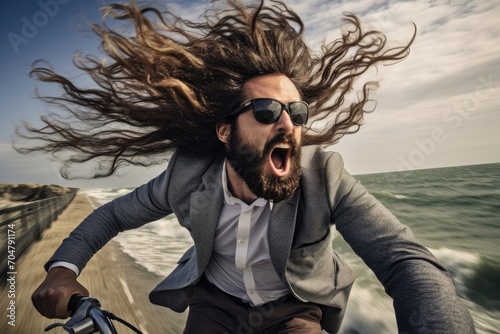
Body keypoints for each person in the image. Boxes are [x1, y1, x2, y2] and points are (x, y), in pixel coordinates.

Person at [24, 1, 476, 333]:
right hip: (214, 305)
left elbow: (404, 260)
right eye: (265, 111)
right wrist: (64, 268)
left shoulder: (324, 174)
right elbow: (113, 214)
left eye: (296, 113)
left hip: (293, 310)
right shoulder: (188, 174)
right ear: (226, 132)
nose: (288, 124)